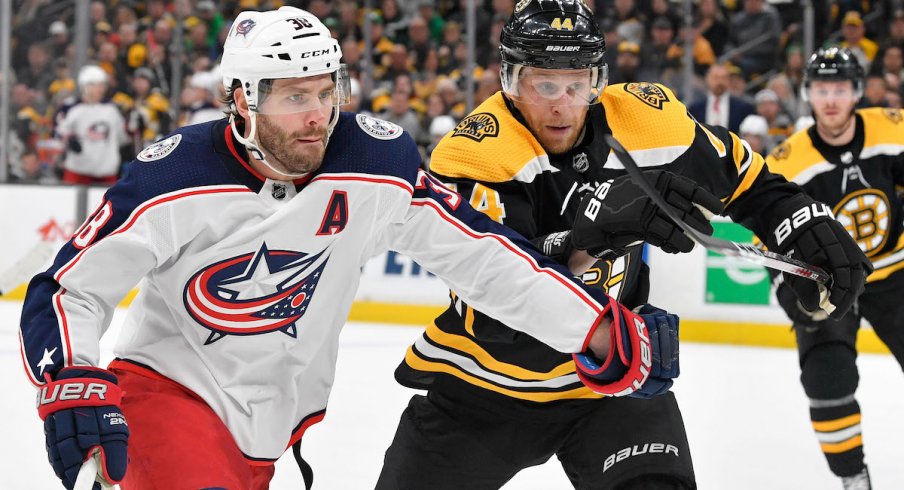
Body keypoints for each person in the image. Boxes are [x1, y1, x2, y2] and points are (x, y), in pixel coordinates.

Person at [19, 7, 678, 490]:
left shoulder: (372, 162)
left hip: (267, 431)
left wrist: (593, 328)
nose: (316, 114)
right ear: (241, 102)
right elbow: (71, 284)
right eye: (293, 97)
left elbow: (481, 256)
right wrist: (71, 377)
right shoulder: (174, 175)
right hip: (168, 398)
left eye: (324, 91)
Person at [377, 2, 871, 489]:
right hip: (484, 388)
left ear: (599, 80)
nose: (561, 103)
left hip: (618, 375)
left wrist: (801, 222)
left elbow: (744, 179)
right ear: (510, 79)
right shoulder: (474, 153)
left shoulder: (645, 118)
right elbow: (500, 294)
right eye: (543, 83)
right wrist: (588, 233)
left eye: (578, 83)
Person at [764, 46, 904, 490]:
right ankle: (852, 478)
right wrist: (792, 290)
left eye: (840, 89)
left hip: (897, 275)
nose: (830, 99)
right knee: (827, 376)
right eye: (822, 89)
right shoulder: (787, 163)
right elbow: (773, 241)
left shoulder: (895, 130)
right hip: (833, 286)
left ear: (858, 92)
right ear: (808, 94)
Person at [56, 65, 128, 184]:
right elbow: (58, 131)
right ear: (85, 86)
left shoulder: (112, 109)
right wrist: (69, 140)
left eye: (102, 85)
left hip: (106, 171)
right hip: (78, 169)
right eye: (96, 85)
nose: (100, 89)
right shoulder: (71, 107)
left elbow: (122, 138)